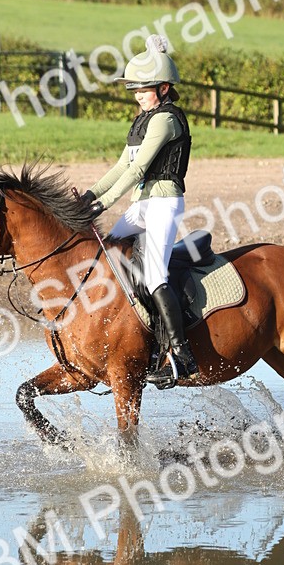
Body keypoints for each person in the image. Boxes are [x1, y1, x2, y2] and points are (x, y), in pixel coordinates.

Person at [79, 34, 198, 387]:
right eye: (134, 91)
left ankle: (182, 355)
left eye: (143, 90)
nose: (138, 96)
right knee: (108, 255)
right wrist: (87, 196)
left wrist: (103, 204)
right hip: (140, 205)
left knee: (155, 275)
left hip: (163, 204)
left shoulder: (166, 119)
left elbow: (137, 172)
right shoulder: (141, 120)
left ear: (163, 88)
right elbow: (119, 168)